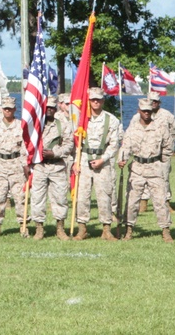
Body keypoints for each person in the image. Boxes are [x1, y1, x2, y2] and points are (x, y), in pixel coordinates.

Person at [118, 98, 175, 242]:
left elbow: (168, 146)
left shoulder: (160, 127)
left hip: (155, 169)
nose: (146, 113)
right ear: (139, 111)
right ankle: (129, 230)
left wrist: (162, 161)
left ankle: (165, 230)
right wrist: (122, 158)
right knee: (131, 202)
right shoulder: (132, 129)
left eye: (149, 111)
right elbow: (126, 146)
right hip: (137, 168)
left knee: (160, 201)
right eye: (144, 111)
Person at [73, 87, 121, 241]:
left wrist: (103, 159)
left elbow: (114, 144)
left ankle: (106, 229)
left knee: (104, 196)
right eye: (92, 99)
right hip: (84, 160)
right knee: (82, 196)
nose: (95, 102)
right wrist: (75, 161)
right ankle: (82, 228)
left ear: (103, 100)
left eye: (98, 99)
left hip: (103, 161)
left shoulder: (111, 120)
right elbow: (75, 142)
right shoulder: (81, 120)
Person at [0, 96, 30, 238]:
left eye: (10, 108)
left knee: (20, 198)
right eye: (5, 108)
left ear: (15, 109)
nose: (8, 111)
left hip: (16, 167)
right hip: (0, 166)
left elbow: (25, 147)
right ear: (2, 109)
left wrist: (26, 165)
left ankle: (23, 226)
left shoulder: (21, 126)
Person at [28, 95, 74, 241]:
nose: (48, 110)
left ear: (55, 109)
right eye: (46, 108)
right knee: (37, 198)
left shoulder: (63, 125)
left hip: (57, 167)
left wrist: (55, 153)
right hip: (39, 167)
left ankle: (60, 229)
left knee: (60, 198)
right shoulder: (35, 126)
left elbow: (69, 145)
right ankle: (39, 229)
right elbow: (26, 143)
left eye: (51, 108)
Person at [145, 90, 175, 212]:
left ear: (159, 102)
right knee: (143, 177)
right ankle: (143, 203)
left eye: (156, 101)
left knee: (164, 177)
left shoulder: (167, 115)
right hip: (145, 153)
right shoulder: (141, 115)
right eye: (151, 101)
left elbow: (174, 130)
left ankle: (166, 202)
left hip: (162, 153)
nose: (153, 103)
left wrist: (168, 146)